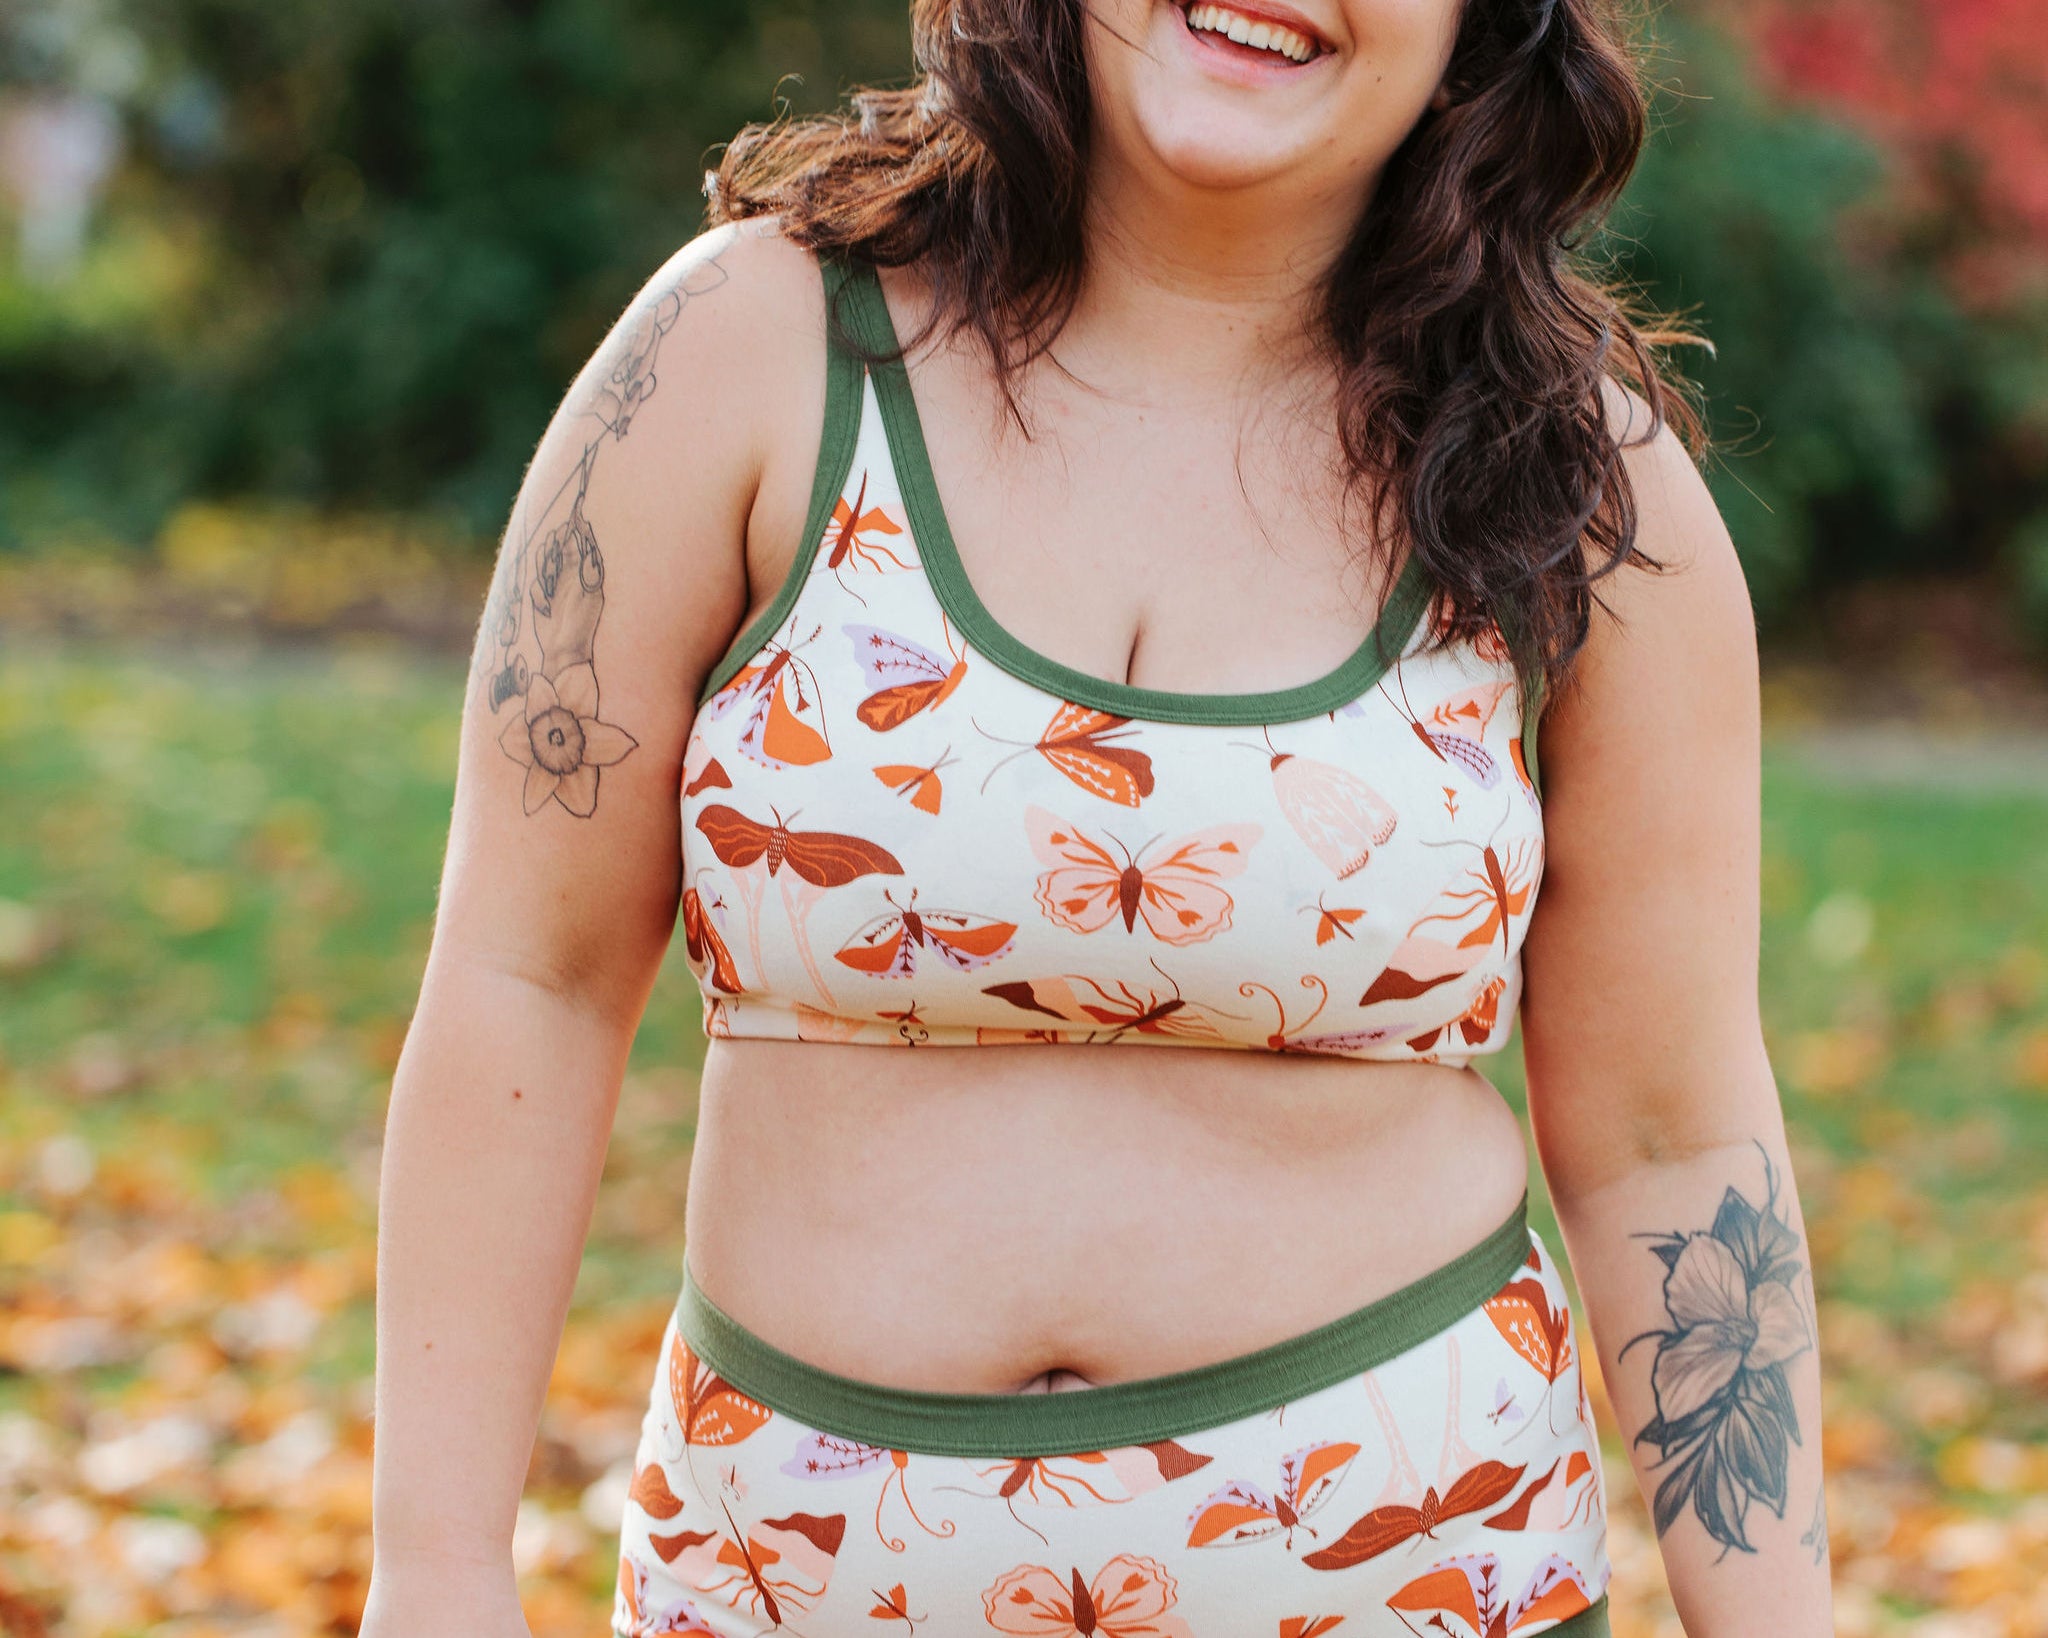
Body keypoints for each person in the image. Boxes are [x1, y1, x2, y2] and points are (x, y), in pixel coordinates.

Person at [362, 1, 1836, 1633]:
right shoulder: (734, 355)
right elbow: (527, 976)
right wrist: (433, 1570)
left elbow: (1670, 1134)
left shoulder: (1590, 490)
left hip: (1421, 1580)